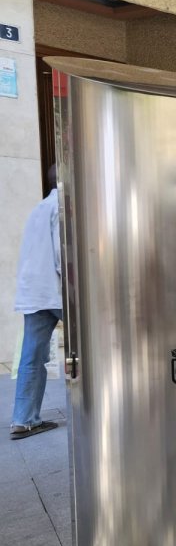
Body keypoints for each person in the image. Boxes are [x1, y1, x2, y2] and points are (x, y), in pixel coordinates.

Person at [11, 164, 62, 440]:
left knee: (31, 358)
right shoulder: (62, 208)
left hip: (33, 293)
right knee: (97, 347)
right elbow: (62, 256)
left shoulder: (38, 209)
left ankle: (24, 419)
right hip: (56, 291)